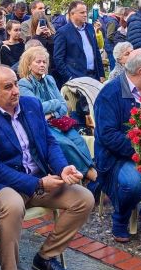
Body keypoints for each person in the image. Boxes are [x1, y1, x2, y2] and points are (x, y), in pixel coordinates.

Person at [0, 65, 93, 270]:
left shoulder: (31, 105)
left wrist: (62, 168)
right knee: (13, 206)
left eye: (16, 84)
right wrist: (37, 184)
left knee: (84, 198)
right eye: (8, 87)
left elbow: (49, 142)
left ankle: (46, 257)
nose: (15, 91)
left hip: (40, 179)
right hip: (5, 185)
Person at [94, 49, 141, 240]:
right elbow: (108, 136)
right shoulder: (110, 93)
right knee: (135, 182)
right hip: (117, 156)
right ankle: (121, 218)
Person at [18, 46, 97, 184]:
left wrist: (51, 113)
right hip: (40, 126)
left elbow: (64, 105)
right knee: (65, 144)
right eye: (38, 62)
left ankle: (89, 174)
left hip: (57, 121)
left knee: (79, 140)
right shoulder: (24, 84)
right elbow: (36, 108)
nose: (42, 65)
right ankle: (91, 176)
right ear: (29, 65)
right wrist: (54, 103)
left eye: (44, 62)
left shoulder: (50, 79)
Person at [53, 0, 104, 84]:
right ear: (72, 14)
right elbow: (58, 59)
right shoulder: (63, 32)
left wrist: (101, 74)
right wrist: (69, 77)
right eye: (82, 12)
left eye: (86, 12)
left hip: (94, 76)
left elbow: (96, 51)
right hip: (76, 78)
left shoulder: (90, 28)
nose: (85, 15)